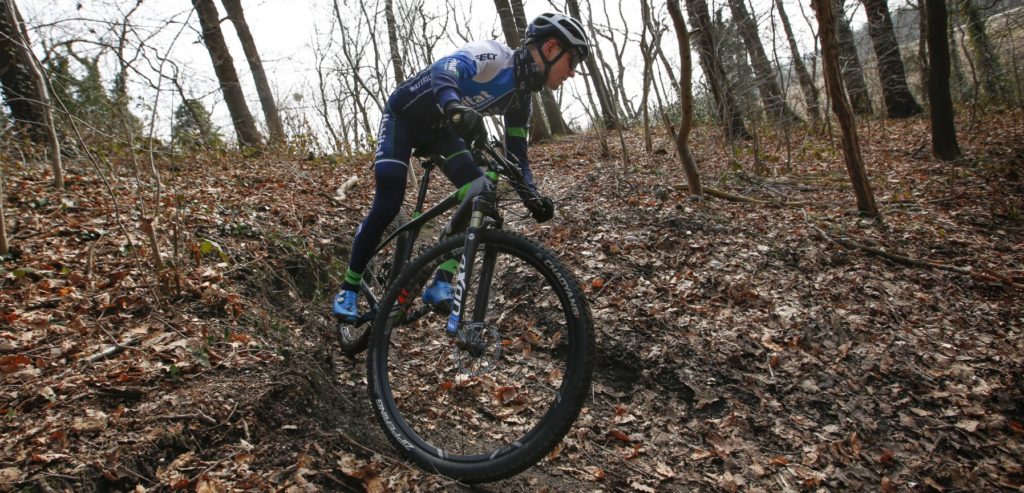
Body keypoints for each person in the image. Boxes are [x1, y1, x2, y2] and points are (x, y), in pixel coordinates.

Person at [333, 12, 591, 321]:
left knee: (482, 189)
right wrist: (455, 107)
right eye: (572, 61)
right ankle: (349, 288)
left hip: (441, 131)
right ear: (551, 48)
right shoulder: (496, 56)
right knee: (388, 202)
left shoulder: (521, 101)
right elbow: (445, 70)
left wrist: (531, 197)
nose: (572, 72)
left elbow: (518, 156)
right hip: (404, 117)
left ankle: (441, 281)